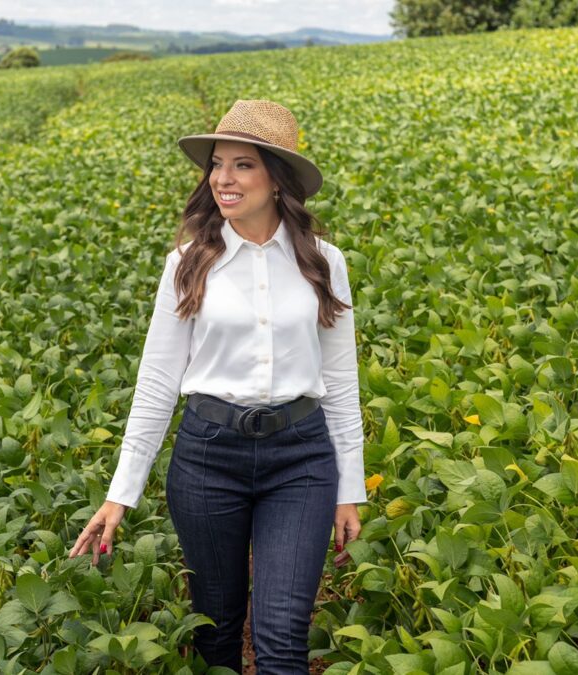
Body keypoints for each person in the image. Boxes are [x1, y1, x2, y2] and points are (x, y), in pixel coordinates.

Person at [67, 99, 367, 673]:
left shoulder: (325, 262)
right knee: (218, 630)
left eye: (243, 165)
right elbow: (157, 380)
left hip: (300, 459)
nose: (223, 180)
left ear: (277, 179)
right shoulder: (187, 262)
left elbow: (339, 380)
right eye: (217, 164)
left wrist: (348, 485)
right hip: (208, 457)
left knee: (281, 638)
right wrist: (120, 493)